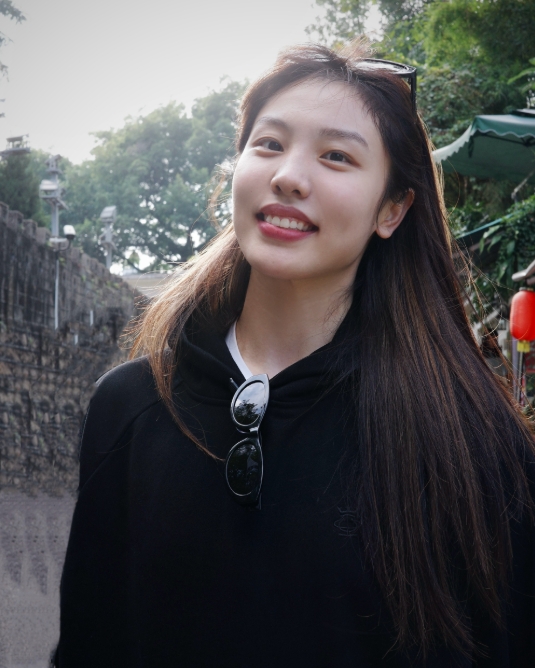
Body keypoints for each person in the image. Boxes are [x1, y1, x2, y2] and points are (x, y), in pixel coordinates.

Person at [54, 40, 535, 667]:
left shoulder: (473, 444)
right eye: (269, 144)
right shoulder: (132, 405)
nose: (288, 175)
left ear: (392, 209)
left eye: (337, 156)